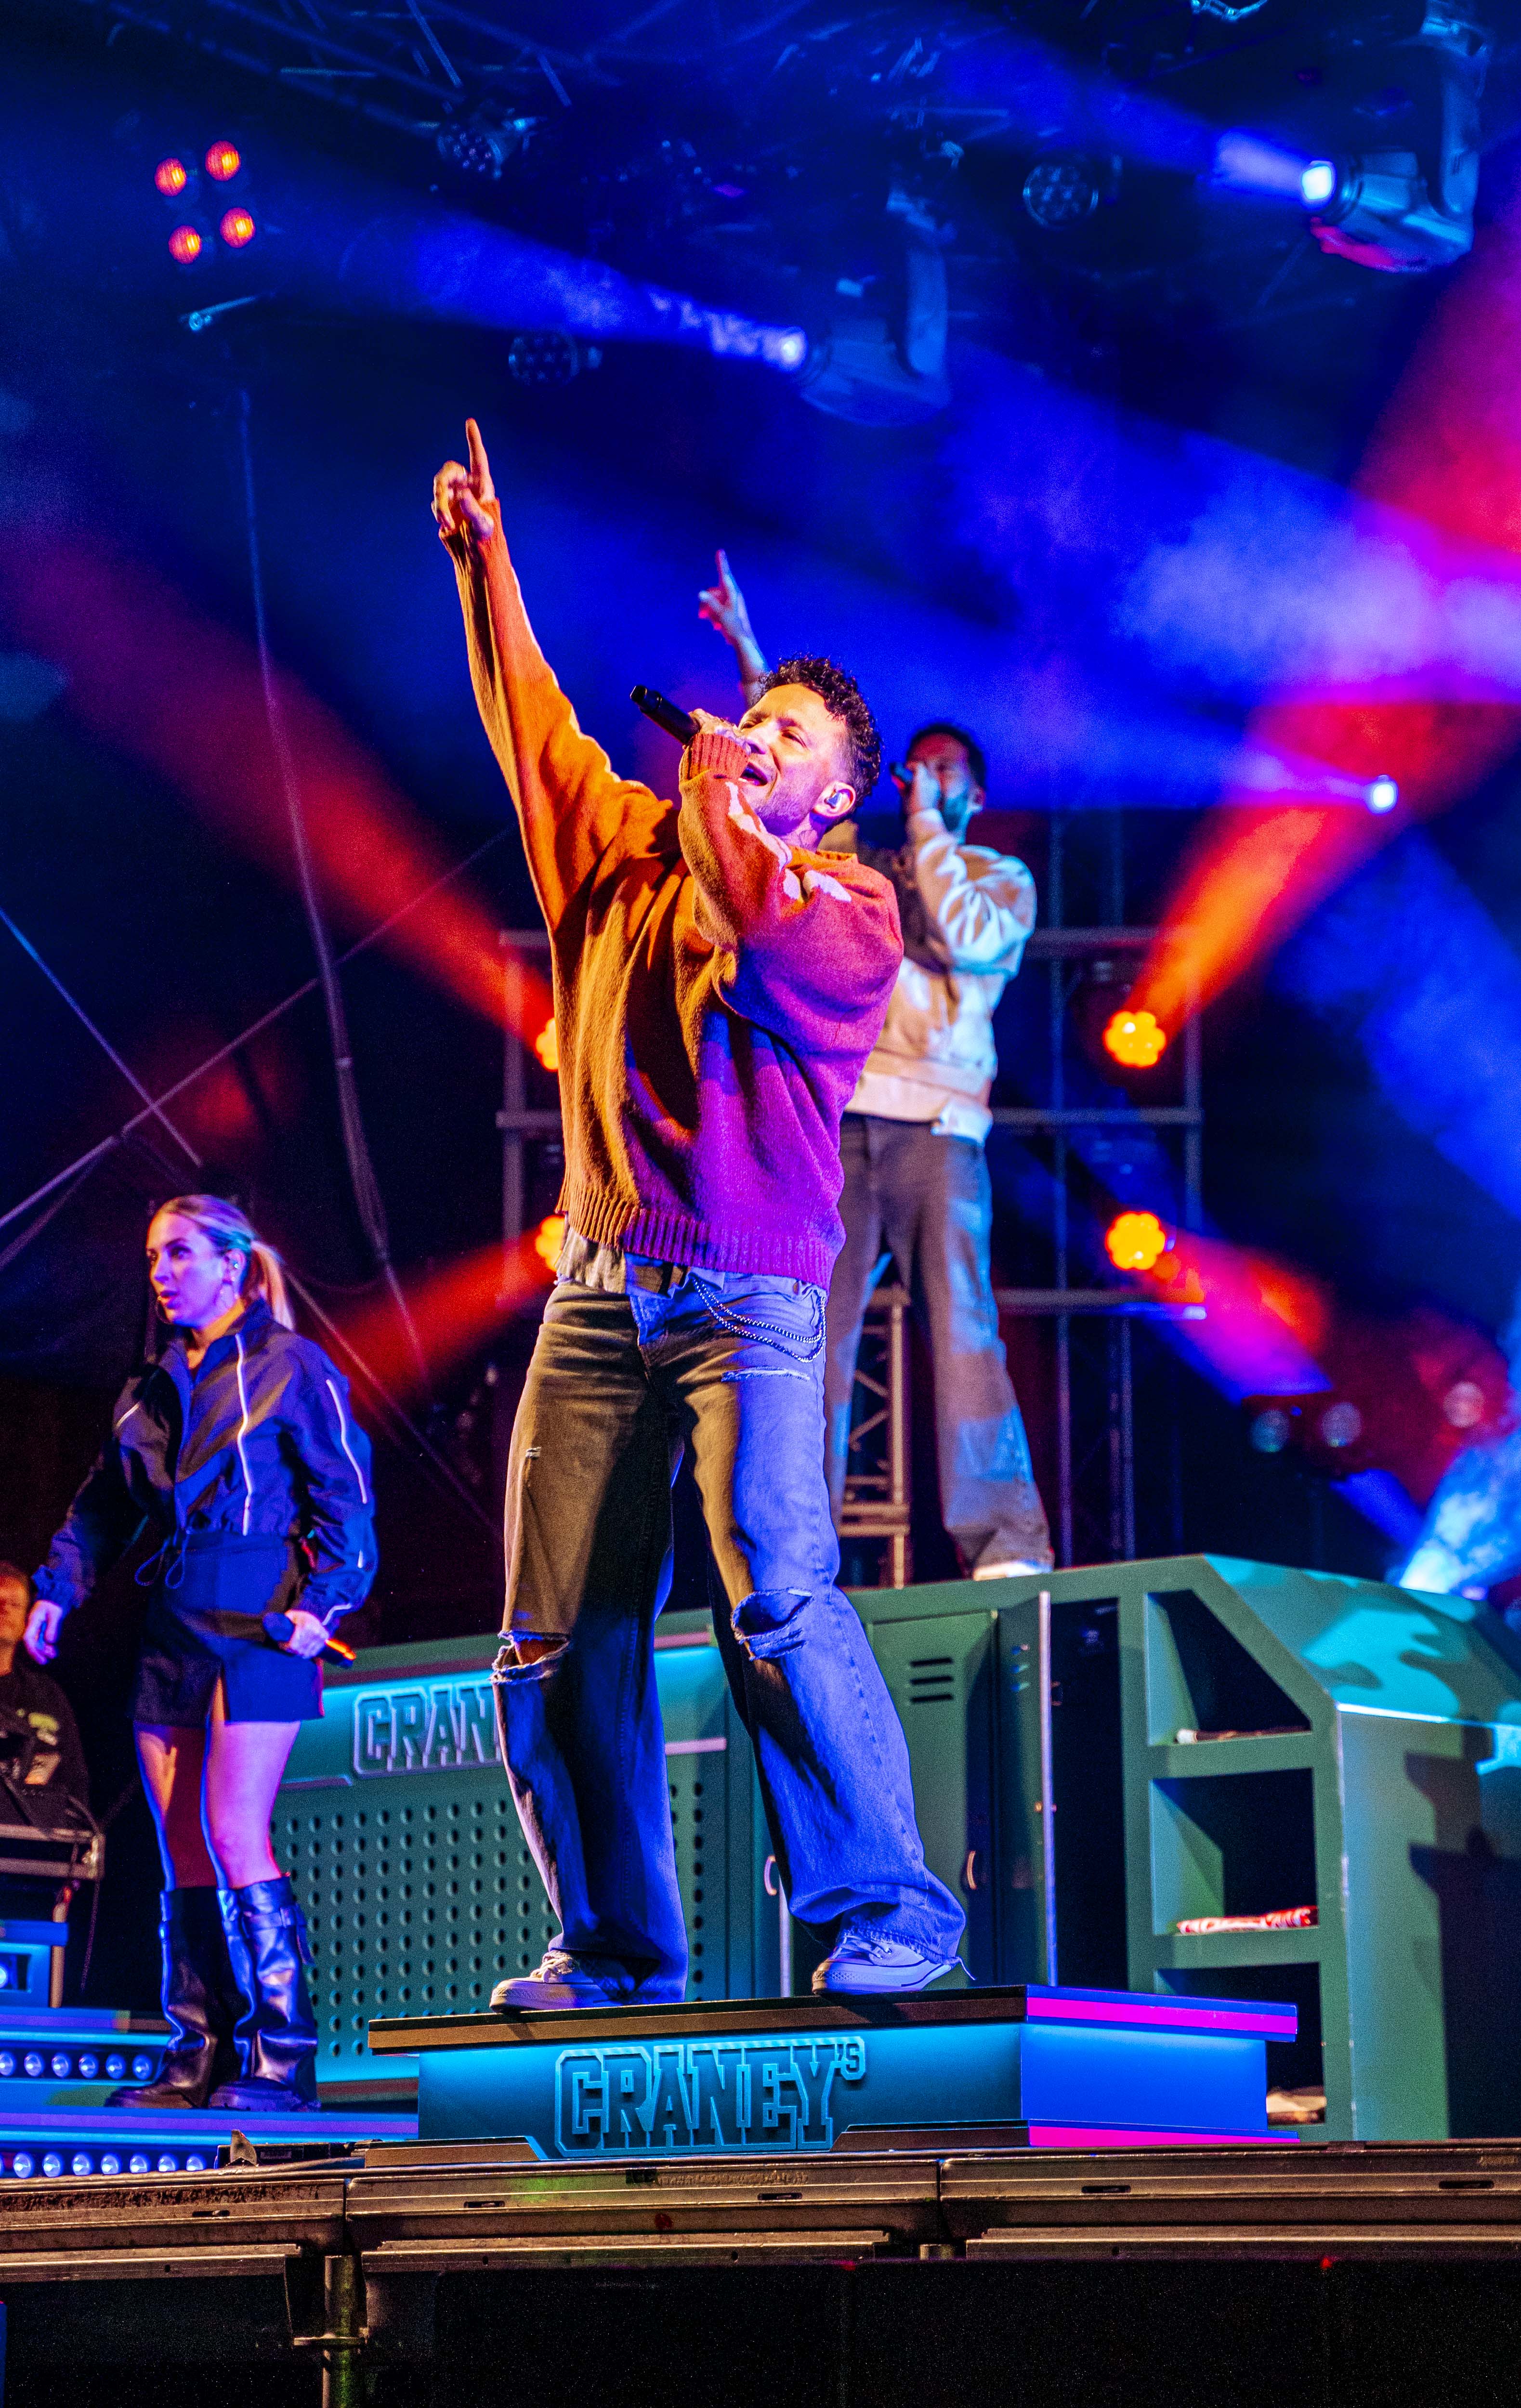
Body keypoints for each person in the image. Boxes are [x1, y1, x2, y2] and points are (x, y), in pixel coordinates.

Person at [434, 419, 964, 2005]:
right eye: (750, 718)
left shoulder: (853, 911)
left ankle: (894, 1911)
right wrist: (485, 568)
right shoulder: (622, 857)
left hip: (751, 1300)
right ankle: (612, 1948)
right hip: (601, 1287)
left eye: (783, 735)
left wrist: (722, 800)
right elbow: (533, 731)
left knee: (775, 1591)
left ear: (839, 795)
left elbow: (752, 918)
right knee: (549, 1633)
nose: (749, 736)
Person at [700, 552, 1053, 1578]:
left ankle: (1003, 1542)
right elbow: (793, 789)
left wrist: (931, 828)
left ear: (975, 792)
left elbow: (968, 940)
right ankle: (793, 1547)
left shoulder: (996, 877)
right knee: (811, 1336)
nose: (924, 780)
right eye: (916, 768)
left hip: (941, 1134)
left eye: (947, 771)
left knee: (964, 1333)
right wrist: (751, 657)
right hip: (842, 1125)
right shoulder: (864, 863)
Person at [28, 1196, 376, 2112]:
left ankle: (283, 2058)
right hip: (175, 1618)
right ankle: (196, 2051)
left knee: (232, 1832)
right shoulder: (148, 1388)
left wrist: (321, 1606)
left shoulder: (291, 1365)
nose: (162, 1273)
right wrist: (58, 1588)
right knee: (180, 1844)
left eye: (180, 1253)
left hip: (262, 1617)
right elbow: (102, 1505)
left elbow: (346, 1497)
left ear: (232, 1264)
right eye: (154, 1257)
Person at [0, 1564, 89, 1806]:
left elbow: (75, 1777)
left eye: (15, 1604)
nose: (5, 1609)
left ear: (26, 1621)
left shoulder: (47, 1694)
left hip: (33, 1825)